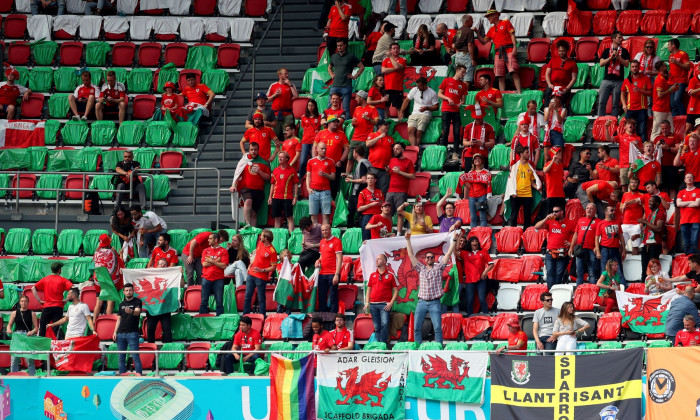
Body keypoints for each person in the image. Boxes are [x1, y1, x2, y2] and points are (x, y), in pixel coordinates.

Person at [406, 231, 459, 347]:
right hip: (421, 302)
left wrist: (454, 240)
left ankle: (438, 348)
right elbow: (410, 255)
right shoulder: (421, 268)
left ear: (434, 259)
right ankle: (418, 348)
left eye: (431, 257)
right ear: (425, 259)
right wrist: (407, 240)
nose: (429, 258)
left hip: (435, 302)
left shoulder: (439, 267)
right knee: (416, 328)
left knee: (437, 328)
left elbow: (448, 254)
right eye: (427, 257)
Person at [475, 9, 521, 93]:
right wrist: (477, 33)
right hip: (498, 53)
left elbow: (512, 34)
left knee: (513, 72)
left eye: (489, 16)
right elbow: (484, 42)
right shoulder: (491, 29)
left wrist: (515, 47)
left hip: (509, 50)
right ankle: (502, 94)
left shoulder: (506, 22)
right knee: (500, 75)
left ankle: (519, 92)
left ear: (495, 15)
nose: (488, 18)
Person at [231, 142, 272, 228]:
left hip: (259, 190)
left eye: (255, 150)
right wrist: (234, 185)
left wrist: (259, 171)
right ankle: (248, 225)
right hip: (246, 188)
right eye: (251, 150)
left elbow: (268, 178)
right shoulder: (244, 161)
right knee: (248, 201)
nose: (253, 151)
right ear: (248, 150)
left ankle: (253, 231)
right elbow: (237, 174)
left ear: (258, 150)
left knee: (254, 213)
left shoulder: (263, 162)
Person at [535, 204, 573, 289]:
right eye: (553, 211)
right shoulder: (550, 221)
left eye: (556, 211)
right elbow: (537, 227)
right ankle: (550, 293)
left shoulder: (570, 223)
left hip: (563, 253)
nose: (554, 213)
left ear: (562, 212)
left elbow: (577, 234)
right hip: (550, 252)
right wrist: (546, 218)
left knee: (559, 274)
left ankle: (556, 293)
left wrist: (571, 243)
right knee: (550, 273)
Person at [365, 254, 399, 344]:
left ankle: (382, 344)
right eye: (376, 259)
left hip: (384, 304)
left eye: (379, 259)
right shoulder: (372, 275)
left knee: (385, 324)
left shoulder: (391, 275)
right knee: (377, 327)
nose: (376, 260)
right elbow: (368, 290)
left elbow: (396, 291)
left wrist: (391, 303)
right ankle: (378, 345)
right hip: (373, 304)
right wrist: (367, 303)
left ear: (384, 262)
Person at [33, 262, 73, 337]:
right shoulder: (63, 280)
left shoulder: (45, 279)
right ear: (59, 270)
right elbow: (73, 288)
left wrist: (39, 300)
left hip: (47, 306)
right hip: (58, 306)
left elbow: (33, 288)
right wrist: (66, 299)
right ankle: (53, 344)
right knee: (55, 329)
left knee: (42, 328)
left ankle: (41, 345)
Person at [313, 114, 349, 198]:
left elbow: (347, 149)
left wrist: (341, 161)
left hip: (336, 165)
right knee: (320, 183)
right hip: (322, 164)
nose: (336, 123)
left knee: (334, 186)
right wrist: (315, 159)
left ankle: (332, 203)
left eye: (337, 122)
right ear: (328, 123)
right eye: (334, 122)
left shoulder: (341, 134)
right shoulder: (321, 133)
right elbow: (314, 147)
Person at [506, 147, 541, 230]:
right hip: (516, 194)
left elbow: (531, 181)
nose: (528, 155)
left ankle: (526, 233)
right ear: (521, 154)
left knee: (527, 216)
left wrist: (537, 187)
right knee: (514, 215)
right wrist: (512, 192)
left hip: (527, 194)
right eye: (527, 153)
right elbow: (511, 181)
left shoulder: (530, 167)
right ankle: (513, 232)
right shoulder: (515, 167)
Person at [328, 38, 363, 121]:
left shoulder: (351, 56)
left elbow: (362, 67)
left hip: (346, 86)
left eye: (341, 45)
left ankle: (346, 125)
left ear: (345, 45)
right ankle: (329, 123)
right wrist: (332, 75)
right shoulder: (334, 56)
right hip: (335, 85)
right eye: (338, 46)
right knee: (329, 106)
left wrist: (354, 76)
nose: (339, 47)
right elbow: (329, 68)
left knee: (346, 108)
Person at [597, 31, 630, 117]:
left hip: (618, 81)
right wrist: (610, 58)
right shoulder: (607, 50)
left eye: (621, 37)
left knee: (615, 104)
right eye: (619, 37)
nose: (621, 39)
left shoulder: (624, 51)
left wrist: (618, 57)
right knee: (601, 102)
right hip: (607, 80)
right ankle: (600, 120)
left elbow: (626, 64)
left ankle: (613, 122)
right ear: (613, 39)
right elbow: (601, 64)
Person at [457, 236, 493, 315]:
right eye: (473, 241)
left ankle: (486, 317)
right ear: (469, 243)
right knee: (470, 300)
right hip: (469, 280)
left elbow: (491, 264)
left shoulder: (483, 252)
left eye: (476, 241)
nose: (475, 243)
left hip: (481, 280)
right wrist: (456, 239)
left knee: (482, 299)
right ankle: (469, 318)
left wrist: (485, 272)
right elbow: (454, 252)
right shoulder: (465, 253)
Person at [244, 230, 277, 315]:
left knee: (261, 298)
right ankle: (245, 315)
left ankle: (262, 316)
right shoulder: (260, 243)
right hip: (251, 273)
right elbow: (257, 256)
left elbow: (273, 267)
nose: (260, 237)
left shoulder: (272, 251)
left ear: (266, 238)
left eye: (261, 236)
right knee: (247, 296)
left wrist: (262, 270)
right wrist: (250, 265)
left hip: (261, 276)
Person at [399, 77, 439, 146]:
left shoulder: (432, 93)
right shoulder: (414, 90)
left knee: (418, 132)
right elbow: (406, 100)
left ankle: (416, 151)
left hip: (425, 114)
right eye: (417, 85)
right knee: (410, 131)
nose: (418, 87)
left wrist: (427, 108)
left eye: (419, 86)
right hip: (414, 113)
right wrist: (401, 111)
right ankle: (415, 149)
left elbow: (437, 107)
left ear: (424, 85)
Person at [112, 284, 143, 375]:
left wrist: (131, 311)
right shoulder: (121, 304)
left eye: (130, 290)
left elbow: (137, 312)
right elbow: (119, 319)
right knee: (121, 358)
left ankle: (139, 377)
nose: (128, 292)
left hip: (132, 333)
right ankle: (123, 377)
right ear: (124, 292)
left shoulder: (137, 301)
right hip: (121, 334)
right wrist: (115, 332)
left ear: (133, 291)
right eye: (127, 290)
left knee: (135, 357)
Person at [92, 233, 124, 319]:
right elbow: (121, 263)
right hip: (110, 281)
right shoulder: (113, 252)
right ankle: (107, 323)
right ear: (109, 243)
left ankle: (94, 324)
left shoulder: (96, 252)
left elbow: (93, 263)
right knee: (110, 303)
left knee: (98, 303)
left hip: (98, 280)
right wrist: (120, 254)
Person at [595, 205, 627, 288]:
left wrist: (623, 249)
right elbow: (597, 238)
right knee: (604, 270)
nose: (613, 212)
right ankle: (604, 290)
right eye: (611, 210)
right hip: (605, 249)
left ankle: (623, 290)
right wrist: (598, 251)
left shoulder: (617, 222)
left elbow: (621, 237)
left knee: (619, 270)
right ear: (606, 212)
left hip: (615, 249)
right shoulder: (601, 223)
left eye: (613, 210)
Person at [569, 203, 601, 285]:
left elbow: (601, 236)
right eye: (587, 208)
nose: (589, 210)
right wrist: (571, 247)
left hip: (591, 249)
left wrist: (597, 248)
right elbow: (576, 234)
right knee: (579, 272)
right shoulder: (580, 220)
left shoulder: (598, 222)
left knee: (592, 273)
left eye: (591, 208)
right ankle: (578, 291)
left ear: (595, 211)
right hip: (581, 249)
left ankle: (592, 291)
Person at [347, 90, 378, 174]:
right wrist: (353, 123)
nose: (356, 99)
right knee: (350, 159)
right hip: (355, 137)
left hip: (366, 139)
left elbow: (377, 122)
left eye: (357, 97)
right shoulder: (357, 109)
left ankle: (362, 177)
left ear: (361, 98)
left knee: (363, 160)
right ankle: (347, 177)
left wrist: (368, 118)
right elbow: (354, 124)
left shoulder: (372, 108)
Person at [621, 60, 652, 142]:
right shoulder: (627, 80)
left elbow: (651, 93)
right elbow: (622, 93)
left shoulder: (645, 79)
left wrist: (640, 90)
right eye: (633, 67)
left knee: (642, 131)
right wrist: (624, 105)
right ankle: (629, 149)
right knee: (629, 131)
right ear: (630, 68)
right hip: (630, 109)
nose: (634, 68)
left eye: (636, 67)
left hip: (642, 109)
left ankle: (643, 152)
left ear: (639, 68)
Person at [199, 232, 229, 316]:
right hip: (206, 278)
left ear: (216, 240)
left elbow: (223, 266)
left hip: (218, 279)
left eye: (210, 238)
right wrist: (217, 261)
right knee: (204, 301)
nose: (208, 240)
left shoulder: (223, 251)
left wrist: (211, 261)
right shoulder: (206, 250)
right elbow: (204, 264)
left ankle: (219, 319)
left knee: (219, 301)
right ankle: (202, 318)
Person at [268, 151, 299, 233]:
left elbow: (296, 184)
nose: (280, 158)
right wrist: (270, 197)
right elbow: (272, 184)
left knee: (289, 218)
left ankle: (291, 236)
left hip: (287, 197)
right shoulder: (275, 170)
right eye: (279, 157)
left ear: (287, 159)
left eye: (282, 157)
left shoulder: (292, 170)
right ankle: (276, 237)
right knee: (277, 218)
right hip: (276, 197)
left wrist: (295, 196)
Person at [7, 296, 38, 375]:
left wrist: (32, 332)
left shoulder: (32, 313)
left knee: (29, 359)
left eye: (25, 301)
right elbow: (9, 325)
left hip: (27, 336)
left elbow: (36, 328)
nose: (24, 303)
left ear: (28, 302)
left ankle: (32, 377)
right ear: (20, 302)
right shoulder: (14, 313)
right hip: (17, 336)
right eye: (22, 301)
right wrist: (9, 329)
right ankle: (14, 377)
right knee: (14, 359)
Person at [307, 142, 335, 225]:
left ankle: (325, 236)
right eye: (322, 149)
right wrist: (308, 188)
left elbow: (333, 177)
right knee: (313, 216)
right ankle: (315, 236)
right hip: (313, 191)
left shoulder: (330, 161)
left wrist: (325, 174)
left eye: (325, 149)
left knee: (325, 215)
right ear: (317, 149)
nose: (324, 150)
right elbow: (308, 176)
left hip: (325, 191)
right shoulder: (311, 161)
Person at [315, 224, 343, 313]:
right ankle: (322, 316)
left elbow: (339, 259)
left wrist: (336, 274)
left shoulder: (336, 241)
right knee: (321, 296)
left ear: (330, 230)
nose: (324, 232)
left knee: (333, 296)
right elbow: (322, 256)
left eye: (326, 230)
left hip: (332, 273)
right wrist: (318, 260)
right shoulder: (322, 242)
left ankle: (333, 317)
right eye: (322, 230)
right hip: (322, 273)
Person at [459, 153, 491, 227]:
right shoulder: (470, 172)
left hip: (482, 196)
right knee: (473, 217)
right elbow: (466, 183)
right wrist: (472, 188)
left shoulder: (486, 172)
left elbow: (488, 184)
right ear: (473, 161)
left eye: (479, 158)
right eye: (475, 159)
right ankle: (473, 234)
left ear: (482, 161)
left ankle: (482, 233)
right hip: (472, 196)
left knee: (482, 217)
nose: (477, 160)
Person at [266, 68, 299, 139]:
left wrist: (290, 84)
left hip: (287, 114)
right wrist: (275, 95)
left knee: (288, 134)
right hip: (275, 114)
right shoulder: (273, 85)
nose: (287, 75)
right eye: (285, 74)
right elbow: (267, 100)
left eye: (287, 73)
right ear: (280, 75)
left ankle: (287, 149)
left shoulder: (291, 85)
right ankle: (276, 150)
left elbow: (296, 96)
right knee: (274, 135)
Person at [385, 143, 415, 216]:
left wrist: (400, 172)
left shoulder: (408, 162)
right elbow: (390, 174)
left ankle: (399, 228)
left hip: (401, 191)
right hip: (390, 191)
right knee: (387, 213)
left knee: (400, 214)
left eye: (397, 149)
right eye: (394, 149)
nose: (395, 151)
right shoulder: (392, 160)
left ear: (402, 150)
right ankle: (389, 227)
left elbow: (413, 176)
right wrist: (387, 171)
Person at [544, 40, 577, 107]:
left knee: (562, 102)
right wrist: (549, 84)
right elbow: (547, 73)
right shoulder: (553, 60)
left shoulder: (572, 63)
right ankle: (546, 111)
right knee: (547, 94)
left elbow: (574, 78)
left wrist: (567, 88)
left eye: (563, 51)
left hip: (564, 87)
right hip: (552, 86)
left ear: (567, 51)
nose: (561, 53)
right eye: (559, 51)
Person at [462, 107, 495, 171]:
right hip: (470, 155)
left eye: (479, 118)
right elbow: (464, 142)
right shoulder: (468, 127)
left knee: (482, 176)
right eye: (476, 118)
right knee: (469, 176)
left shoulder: (489, 127)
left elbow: (492, 143)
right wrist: (470, 143)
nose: (478, 120)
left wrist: (482, 143)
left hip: (482, 155)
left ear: (482, 117)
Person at [620, 177, 646, 255]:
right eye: (631, 182)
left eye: (635, 182)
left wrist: (642, 223)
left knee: (635, 247)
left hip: (636, 224)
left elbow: (646, 210)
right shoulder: (625, 194)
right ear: (629, 184)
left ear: (638, 184)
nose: (633, 184)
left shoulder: (642, 195)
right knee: (621, 245)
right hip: (625, 223)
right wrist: (623, 207)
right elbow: (621, 208)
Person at [365, 120, 393, 194]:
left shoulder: (390, 139)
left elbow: (393, 153)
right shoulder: (373, 134)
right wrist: (379, 137)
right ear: (379, 126)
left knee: (383, 190)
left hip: (384, 169)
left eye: (388, 125)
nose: (387, 126)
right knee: (371, 187)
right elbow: (368, 144)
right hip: (373, 167)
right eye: (385, 125)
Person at [651, 61, 678, 139]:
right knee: (657, 130)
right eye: (664, 66)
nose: (666, 67)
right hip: (659, 108)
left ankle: (670, 144)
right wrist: (670, 90)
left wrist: (672, 89)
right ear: (661, 68)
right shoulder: (660, 79)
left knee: (671, 129)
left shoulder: (662, 78)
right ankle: (652, 147)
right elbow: (659, 94)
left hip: (665, 108)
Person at [639, 195, 666, 272]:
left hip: (654, 246)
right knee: (644, 269)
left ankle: (653, 283)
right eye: (649, 201)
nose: (649, 202)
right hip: (646, 245)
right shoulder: (650, 214)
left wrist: (645, 222)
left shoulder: (660, 214)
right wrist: (638, 236)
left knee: (653, 269)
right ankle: (644, 283)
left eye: (651, 201)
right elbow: (648, 232)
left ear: (657, 203)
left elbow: (658, 228)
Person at [634, 39, 660, 117]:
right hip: (640, 79)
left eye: (651, 47)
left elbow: (660, 72)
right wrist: (638, 71)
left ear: (653, 48)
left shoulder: (656, 58)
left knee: (649, 100)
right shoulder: (639, 55)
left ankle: (649, 116)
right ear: (644, 47)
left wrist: (652, 73)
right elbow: (633, 66)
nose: (649, 49)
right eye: (647, 47)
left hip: (650, 79)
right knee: (637, 97)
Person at [675, 173, 700, 255]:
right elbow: (678, 204)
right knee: (686, 243)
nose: (689, 179)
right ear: (684, 180)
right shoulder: (681, 192)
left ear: (693, 180)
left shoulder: (698, 191)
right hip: (684, 220)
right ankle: (688, 260)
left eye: (691, 177)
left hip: (695, 220)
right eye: (687, 177)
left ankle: (693, 260)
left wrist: (684, 203)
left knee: (694, 241)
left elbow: (697, 204)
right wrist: (691, 202)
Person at [357, 172, 384, 241]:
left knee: (379, 236)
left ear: (375, 180)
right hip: (367, 216)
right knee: (367, 238)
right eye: (368, 178)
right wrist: (370, 205)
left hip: (378, 216)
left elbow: (383, 205)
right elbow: (359, 209)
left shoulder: (379, 192)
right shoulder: (362, 193)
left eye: (372, 178)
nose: (370, 180)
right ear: (366, 180)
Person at [299, 99, 322, 180]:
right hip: (305, 141)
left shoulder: (320, 116)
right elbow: (303, 128)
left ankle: (315, 179)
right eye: (309, 105)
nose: (310, 107)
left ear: (315, 106)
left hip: (315, 142)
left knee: (315, 162)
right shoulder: (303, 117)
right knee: (302, 162)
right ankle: (300, 180)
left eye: (312, 105)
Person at [452, 15, 476, 90]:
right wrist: (472, 59)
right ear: (467, 22)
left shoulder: (459, 30)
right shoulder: (469, 31)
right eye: (471, 20)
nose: (473, 22)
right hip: (466, 56)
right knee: (466, 78)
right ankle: (463, 98)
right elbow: (470, 45)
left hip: (458, 56)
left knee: (459, 77)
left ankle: (458, 95)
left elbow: (453, 44)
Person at [667, 38, 690, 117]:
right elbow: (672, 69)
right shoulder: (670, 56)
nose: (667, 47)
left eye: (669, 45)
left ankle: (683, 118)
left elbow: (688, 67)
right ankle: (675, 121)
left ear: (673, 45)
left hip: (681, 81)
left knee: (677, 99)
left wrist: (677, 62)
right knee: (672, 103)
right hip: (672, 81)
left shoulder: (683, 54)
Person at [381, 43, 407, 112]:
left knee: (399, 108)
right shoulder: (386, 60)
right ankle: (386, 122)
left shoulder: (403, 59)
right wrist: (396, 68)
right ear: (390, 50)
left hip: (397, 88)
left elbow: (397, 66)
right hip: (387, 87)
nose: (396, 50)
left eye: (397, 48)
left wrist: (391, 58)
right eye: (394, 48)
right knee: (386, 107)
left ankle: (400, 122)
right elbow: (383, 70)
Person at [544, 147, 566, 214]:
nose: (560, 154)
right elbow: (545, 171)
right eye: (558, 152)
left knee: (561, 213)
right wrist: (553, 160)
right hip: (552, 193)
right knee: (551, 213)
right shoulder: (549, 163)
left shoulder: (561, 165)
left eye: (560, 152)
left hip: (560, 193)